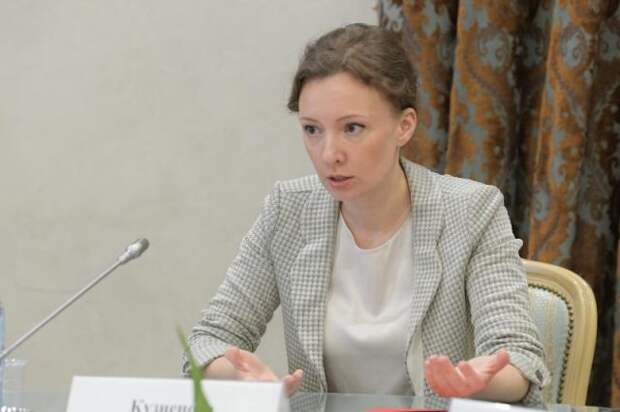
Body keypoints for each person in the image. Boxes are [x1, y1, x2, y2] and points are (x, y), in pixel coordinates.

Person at [185, 23, 549, 405]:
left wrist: (477, 383)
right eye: (312, 130)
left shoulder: (472, 211)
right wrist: (239, 377)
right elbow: (207, 341)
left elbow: (519, 358)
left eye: (353, 128)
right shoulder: (287, 210)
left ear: (404, 126)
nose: (329, 154)